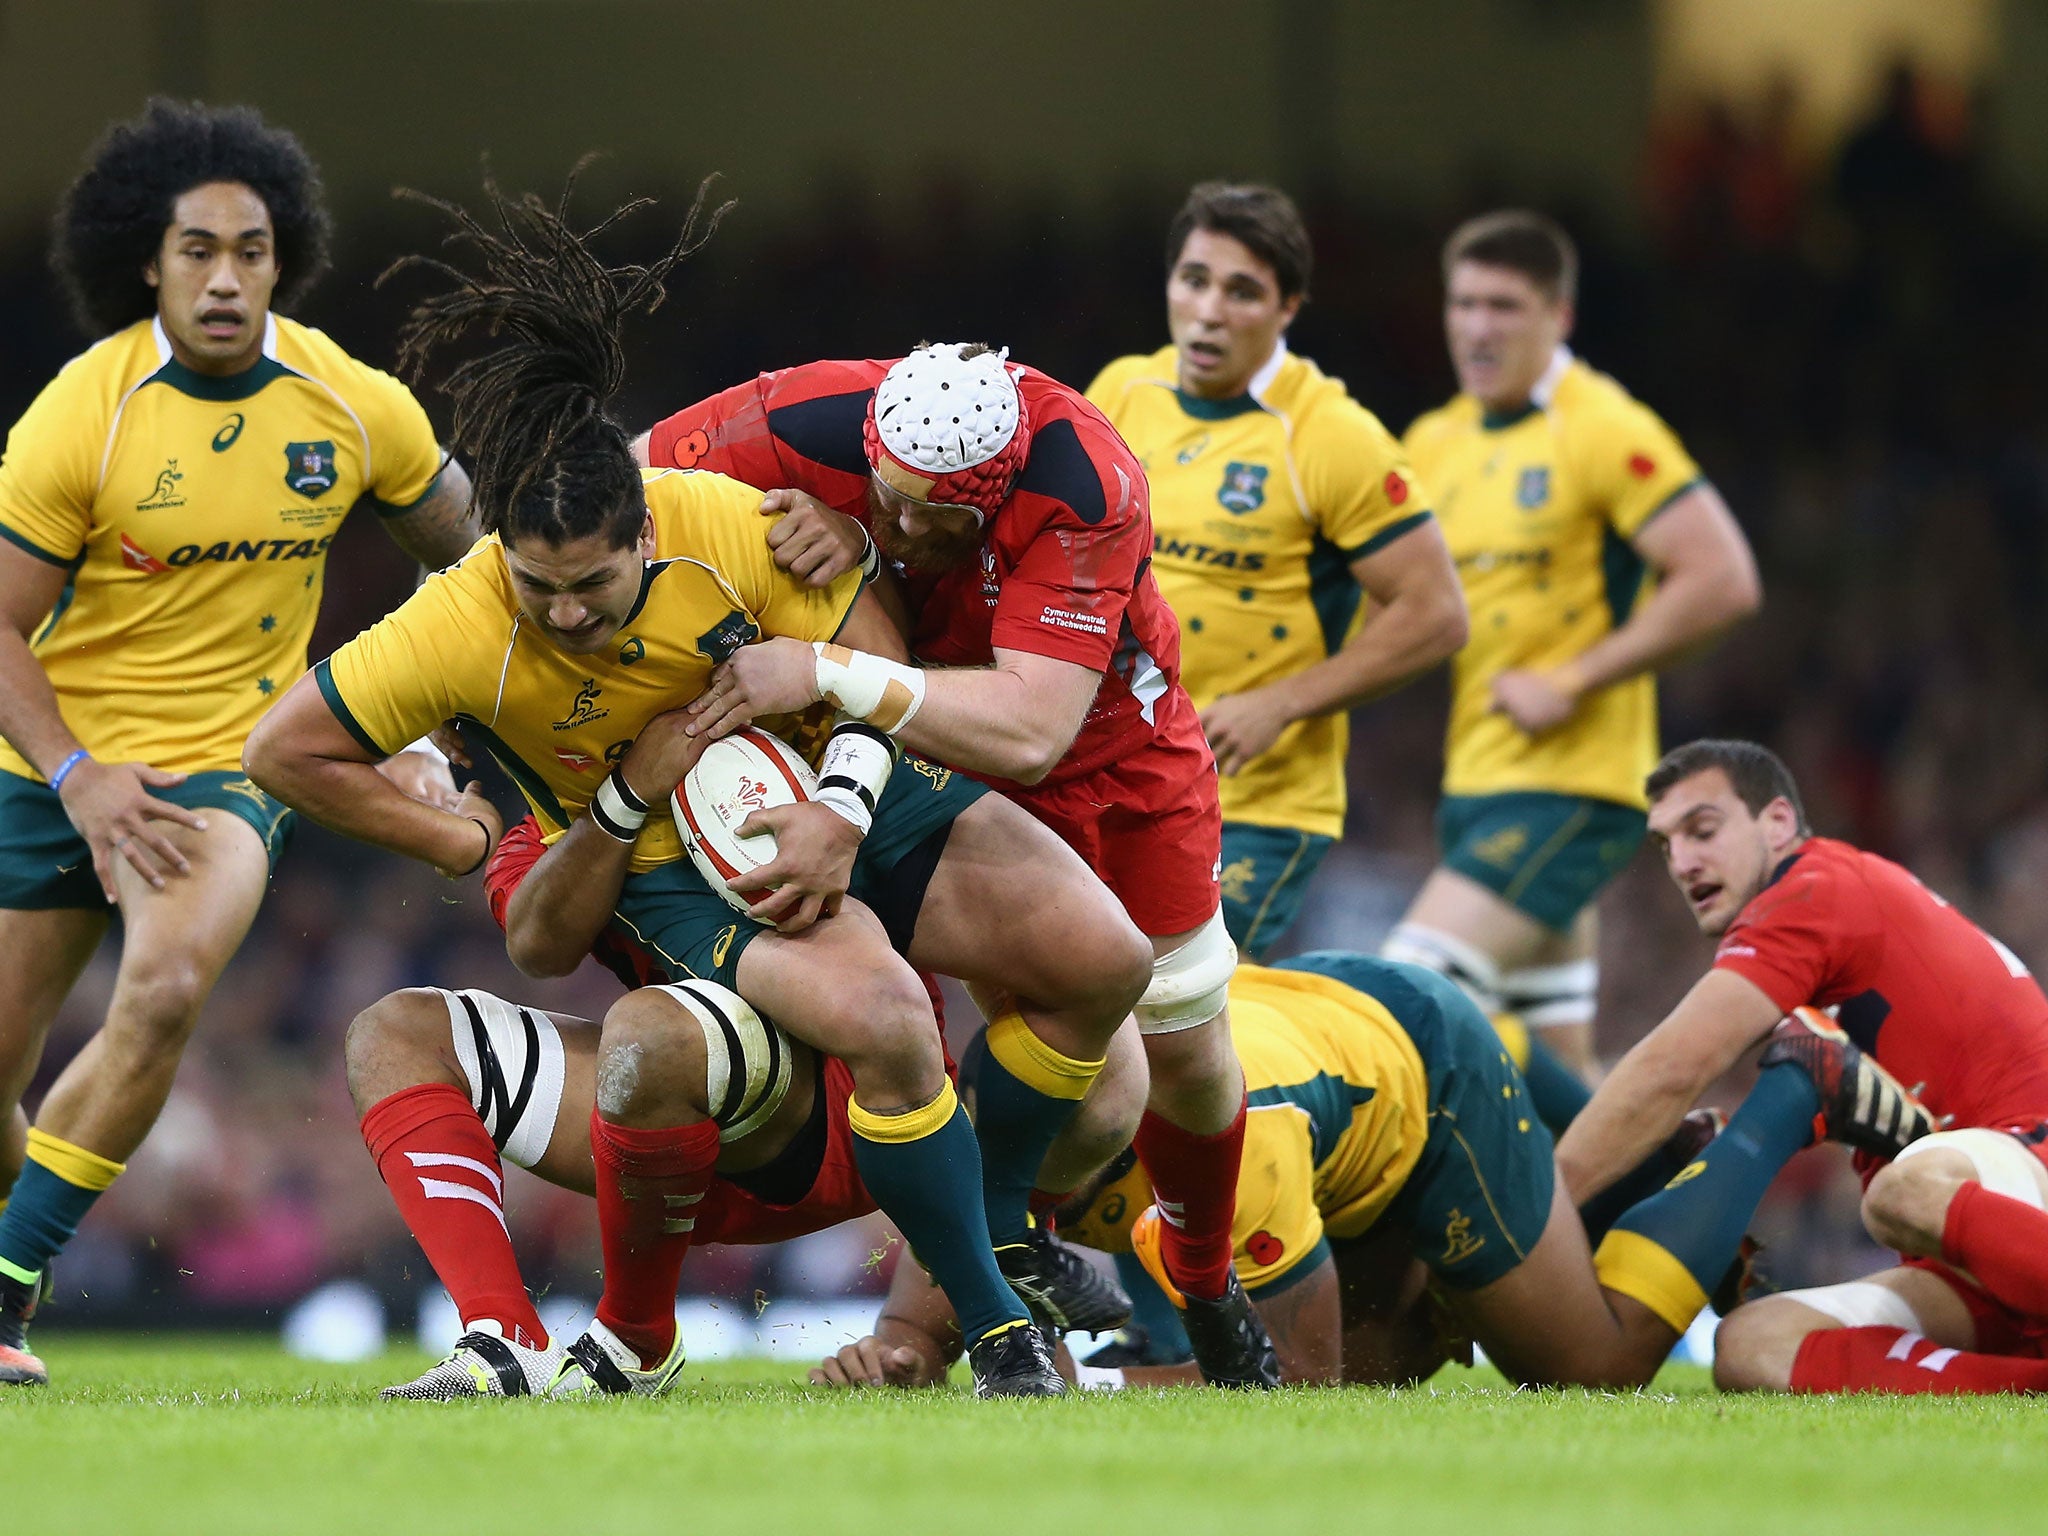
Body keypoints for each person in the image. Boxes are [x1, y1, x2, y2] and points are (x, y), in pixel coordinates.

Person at [245, 173, 1155, 1398]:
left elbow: (873, 650)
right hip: (683, 890)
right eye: (535, 587)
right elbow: (294, 755)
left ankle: (975, 1244)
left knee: (1106, 968)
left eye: (595, 590)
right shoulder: (455, 628)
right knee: (764, 1024)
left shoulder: (717, 513)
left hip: (833, 792)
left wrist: (838, 800)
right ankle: (953, 1324)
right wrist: (455, 838)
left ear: (644, 535)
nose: (564, 615)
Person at [641, 343, 1277, 1385]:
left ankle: (1200, 1278)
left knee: (1190, 1062)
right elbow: (615, 487)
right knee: (1105, 1091)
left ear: (986, 496)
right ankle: (974, 1297)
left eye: (919, 518)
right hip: (942, 762)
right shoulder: (813, 415)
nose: (891, 525)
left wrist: (825, 662)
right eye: (878, 496)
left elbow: (1032, 729)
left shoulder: (1087, 483)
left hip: (1115, 748)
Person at [0, 100, 476, 1388]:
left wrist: (419, 718)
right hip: (52, 765)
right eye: (195, 249)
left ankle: (1, 1296)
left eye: (251, 250)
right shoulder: (81, 418)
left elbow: (474, 566)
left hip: (225, 764)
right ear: (147, 263)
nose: (224, 276)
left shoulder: (349, 404)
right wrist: (75, 775)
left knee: (160, 992)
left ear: (284, 258)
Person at [810, 951, 1929, 1390]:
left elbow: (1294, 1380)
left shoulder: (1222, 1153)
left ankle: (1792, 1085)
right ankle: (1615, 1187)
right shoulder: (1004, 1109)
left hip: (1426, 1081)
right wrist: (897, 1353)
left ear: (1106, 1145)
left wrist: (1086, 1385)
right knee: (1394, 1360)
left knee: (1585, 1369)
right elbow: (926, 1309)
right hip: (1323, 1033)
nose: (997, 1191)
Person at [1387, 210, 1761, 1080]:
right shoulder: (1434, 441)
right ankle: (1651, 1179)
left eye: (1505, 306)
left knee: (1404, 993)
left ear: (1559, 317)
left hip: (1569, 788)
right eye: (1464, 303)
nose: (1478, 327)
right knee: (1549, 1079)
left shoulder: (1602, 426)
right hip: (1475, 784)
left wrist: (1573, 678)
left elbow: (1722, 578)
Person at [1556, 739, 2048, 1397]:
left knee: (1900, 1193)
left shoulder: (1814, 888)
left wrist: (1539, 1217)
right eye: (1666, 846)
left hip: (2030, 1170)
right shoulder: (1843, 906)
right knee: (1751, 1345)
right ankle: (2029, 1383)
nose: (1682, 861)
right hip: (1989, 1253)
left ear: (1779, 823)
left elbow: (1673, 1066)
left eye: (1702, 831)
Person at [1085, 183, 1466, 959]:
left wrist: (1282, 703)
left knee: (1164, 1012)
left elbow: (1435, 614)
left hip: (1253, 804)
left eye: (1243, 291)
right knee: (1071, 1015)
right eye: (1194, 280)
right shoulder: (1123, 391)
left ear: (1289, 307)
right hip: (1111, 774)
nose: (1210, 310)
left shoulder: (1330, 437)